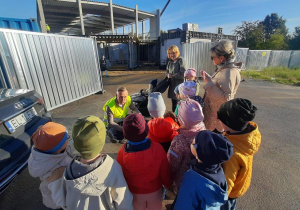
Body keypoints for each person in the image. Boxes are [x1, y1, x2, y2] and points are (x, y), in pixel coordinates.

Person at [49, 115, 133, 210]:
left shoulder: (68, 171)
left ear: (76, 144)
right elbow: (123, 202)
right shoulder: (113, 168)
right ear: (101, 143)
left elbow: (63, 201)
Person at [117, 114, 172, 210]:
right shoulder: (157, 148)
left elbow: (121, 174)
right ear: (146, 130)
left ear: (125, 133)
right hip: (155, 190)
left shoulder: (122, 152)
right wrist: (167, 184)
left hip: (134, 192)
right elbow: (165, 170)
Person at [217, 98, 261, 210]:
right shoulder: (248, 136)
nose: (217, 119)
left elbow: (227, 181)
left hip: (228, 196)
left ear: (229, 123)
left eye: (220, 118)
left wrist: (218, 199)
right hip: (239, 187)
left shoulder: (230, 153)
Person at [173, 130, 234, 210]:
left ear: (199, 154)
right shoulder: (219, 172)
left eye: (193, 143)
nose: (191, 142)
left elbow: (183, 204)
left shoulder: (192, 181)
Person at [28, 122, 73, 209]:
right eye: (67, 138)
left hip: (52, 193)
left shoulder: (40, 153)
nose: (68, 139)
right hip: (59, 203)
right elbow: (62, 199)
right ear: (58, 148)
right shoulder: (58, 171)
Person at [200, 40, 242, 132]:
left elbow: (226, 97)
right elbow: (220, 85)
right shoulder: (225, 69)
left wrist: (208, 83)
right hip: (214, 115)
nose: (212, 59)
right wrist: (210, 79)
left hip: (216, 119)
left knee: (213, 141)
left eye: (213, 57)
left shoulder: (229, 72)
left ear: (222, 58)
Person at [167, 98, 206, 193]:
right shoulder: (204, 130)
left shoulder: (179, 140)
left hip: (183, 180)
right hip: (200, 178)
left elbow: (172, 164)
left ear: (182, 120)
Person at [166, 45, 187, 112]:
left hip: (180, 86)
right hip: (172, 86)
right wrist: (168, 75)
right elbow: (166, 72)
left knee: (180, 105)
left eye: (174, 53)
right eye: (170, 53)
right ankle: (174, 120)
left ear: (177, 52)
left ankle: (180, 120)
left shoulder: (181, 60)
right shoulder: (170, 62)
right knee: (174, 104)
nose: (172, 55)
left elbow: (183, 74)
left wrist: (172, 76)